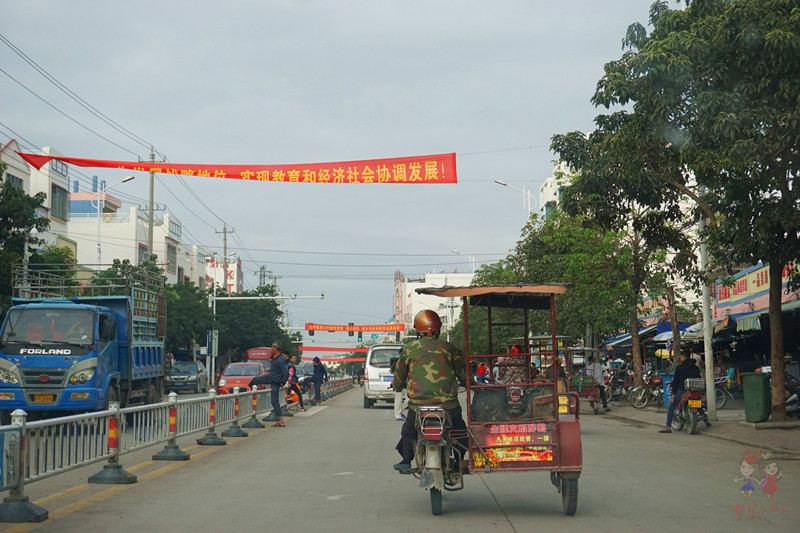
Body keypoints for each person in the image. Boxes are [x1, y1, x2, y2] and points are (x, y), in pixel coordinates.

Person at [391, 310, 467, 474]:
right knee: (460, 430)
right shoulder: (449, 348)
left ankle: (406, 461)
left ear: (418, 331)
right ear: (438, 329)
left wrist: (397, 386)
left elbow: (399, 374)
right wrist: (470, 382)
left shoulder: (409, 349)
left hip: (419, 406)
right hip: (448, 405)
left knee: (408, 431)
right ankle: (459, 461)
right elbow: (463, 372)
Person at [660, 352, 705, 433]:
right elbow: (698, 378)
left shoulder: (680, 368)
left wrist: (673, 393)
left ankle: (667, 427)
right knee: (698, 404)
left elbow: (676, 381)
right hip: (694, 390)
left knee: (671, 406)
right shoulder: (696, 368)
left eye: (681, 357)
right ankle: (706, 420)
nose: (680, 359)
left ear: (683, 357)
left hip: (682, 390)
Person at [267, 342, 289, 427]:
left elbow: (286, 373)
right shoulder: (275, 358)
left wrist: (283, 382)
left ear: (276, 348)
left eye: (272, 347)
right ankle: (280, 420)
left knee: (274, 400)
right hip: (274, 381)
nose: (271, 349)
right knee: (274, 401)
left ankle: (281, 420)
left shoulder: (280, 359)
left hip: (276, 382)